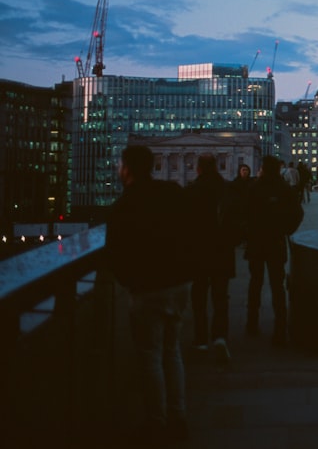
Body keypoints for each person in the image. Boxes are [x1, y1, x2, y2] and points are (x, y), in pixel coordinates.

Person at [105, 145, 193, 443]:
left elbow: (114, 254)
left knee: (150, 356)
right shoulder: (173, 192)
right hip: (179, 283)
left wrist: (129, 281)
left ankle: (157, 421)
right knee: (172, 351)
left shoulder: (122, 206)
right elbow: (192, 230)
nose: (118, 169)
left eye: (120, 165)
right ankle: (178, 417)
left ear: (127, 169)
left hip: (147, 288)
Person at [186, 154, 239, 365]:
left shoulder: (191, 191)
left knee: (199, 296)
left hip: (198, 251)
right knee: (220, 297)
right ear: (216, 167)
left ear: (198, 169)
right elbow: (237, 219)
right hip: (222, 250)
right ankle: (219, 337)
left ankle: (200, 338)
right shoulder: (227, 189)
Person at [245, 155, 304, 346]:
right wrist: (286, 230)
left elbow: (241, 213)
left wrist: (247, 233)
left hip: (256, 241)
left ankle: (252, 323)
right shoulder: (285, 189)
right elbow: (297, 214)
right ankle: (280, 327)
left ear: (262, 168)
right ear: (278, 169)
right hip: (276, 242)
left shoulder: (253, 188)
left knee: (255, 283)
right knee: (277, 285)